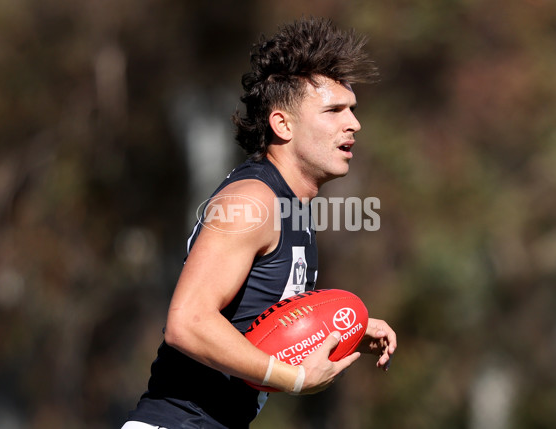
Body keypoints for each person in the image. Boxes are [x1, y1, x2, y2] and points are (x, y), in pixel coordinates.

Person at [123, 17, 397, 429]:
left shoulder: (291, 207)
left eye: (352, 110)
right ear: (282, 124)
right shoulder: (252, 201)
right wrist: (294, 379)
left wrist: (344, 327)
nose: (353, 123)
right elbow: (187, 322)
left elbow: (264, 316)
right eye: (334, 110)